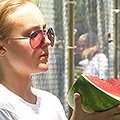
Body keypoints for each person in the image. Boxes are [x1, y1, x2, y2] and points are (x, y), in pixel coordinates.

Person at [0, 0, 120, 120]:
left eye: (46, 32)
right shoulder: (3, 107)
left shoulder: (51, 102)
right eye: (34, 35)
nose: (47, 41)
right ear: (2, 47)